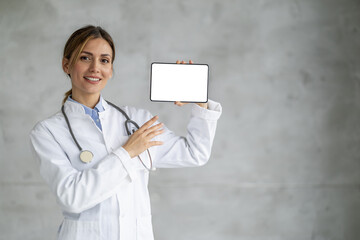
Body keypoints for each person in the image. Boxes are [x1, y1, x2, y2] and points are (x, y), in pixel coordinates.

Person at [29, 25, 222, 240]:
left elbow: (195, 153)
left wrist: (200, 102)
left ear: (111, 70)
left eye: (104, 60)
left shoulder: (137, 121)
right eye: (85, 58)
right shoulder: (48, 132)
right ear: (67, 64)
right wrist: (127, 152)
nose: (95, 68)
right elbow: (72, 198)